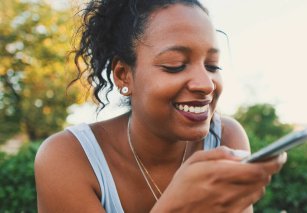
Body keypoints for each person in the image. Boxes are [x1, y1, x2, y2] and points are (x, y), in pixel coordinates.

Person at [34, 0, 287, 212]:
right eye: (175, 65)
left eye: (212, 66)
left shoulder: (225, 138)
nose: (206, 84)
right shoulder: (67, 157)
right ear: (123, 75)